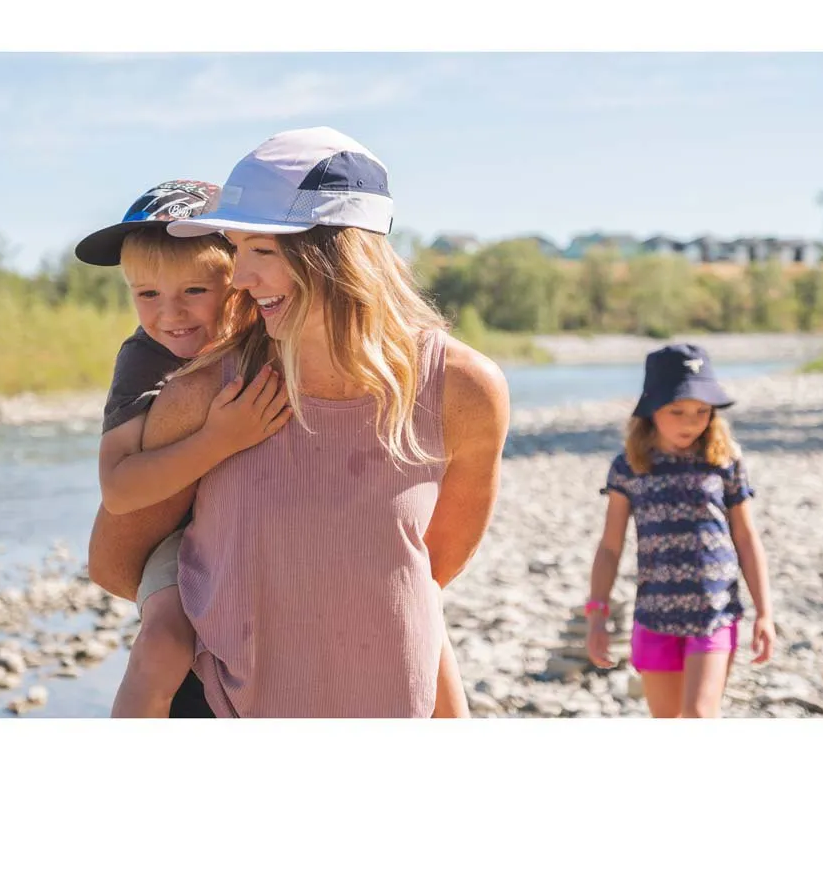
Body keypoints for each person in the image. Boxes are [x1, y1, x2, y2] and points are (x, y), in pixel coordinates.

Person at [87, 126, 510, 717]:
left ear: (340, 253)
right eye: (237, 250)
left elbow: (429, 569)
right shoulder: (211, 393)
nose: (238, 278)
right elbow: (115, 561)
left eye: (261, 251)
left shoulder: (464, 389)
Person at [76, 180, 293, 717]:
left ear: (239, 282)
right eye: (147, 294)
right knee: (164, 644)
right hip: (180, 535)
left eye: (194, 290)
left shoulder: (274, 330)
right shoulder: (144, 357)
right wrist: (218, 439)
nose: (169, 314)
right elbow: (119, 489)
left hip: (265, 526)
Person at [585, 343, 774, 718]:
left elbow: (746, 538)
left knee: (700, 715)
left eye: (702, 411)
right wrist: (597, 614)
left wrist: (764, 613)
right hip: (655, 614)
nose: (691, 422)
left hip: (714, 612)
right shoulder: (629, 466)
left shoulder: (724, 461)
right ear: (651, 409)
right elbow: (610, 547)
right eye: (677, 411)